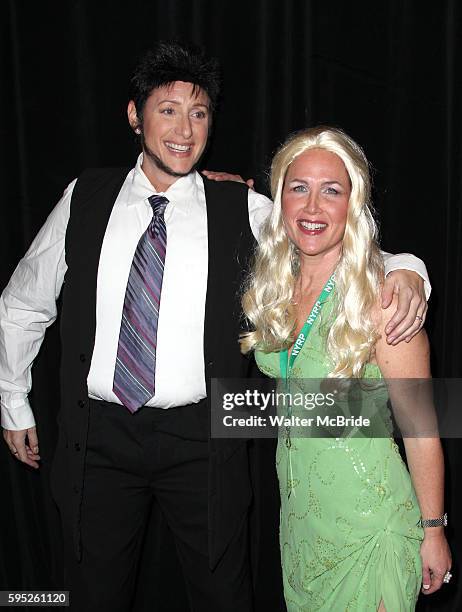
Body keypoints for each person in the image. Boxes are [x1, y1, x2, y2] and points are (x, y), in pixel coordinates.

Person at [0, 40, 430, 611]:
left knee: (224, 595)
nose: (184, 129)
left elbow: (332, 232)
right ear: (135, 116)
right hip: (97, 437)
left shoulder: (241, 207)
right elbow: (23, 302)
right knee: (88, 595)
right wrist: (13, 402)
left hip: (203, 439)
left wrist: (410, 272)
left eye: (198, 113)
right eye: (168, 110)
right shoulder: (85, 197)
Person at [240, 125, 451, 611]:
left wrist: (434, 530)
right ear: (281, 200)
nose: (313, 208)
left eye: (331, 191)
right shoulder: (278, 287)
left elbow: (421, 429)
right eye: (299, 188)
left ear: (352, 204)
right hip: (301, 532)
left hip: (369, 530)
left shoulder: (384, 297)